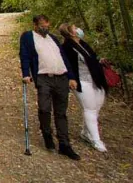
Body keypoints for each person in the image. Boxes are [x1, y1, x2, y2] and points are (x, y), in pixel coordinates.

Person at [19, 14, 81, 160]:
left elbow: (63, 58)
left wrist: (71, 76)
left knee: (61, 112)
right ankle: (47, 134)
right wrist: (26, 73)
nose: (45, 28)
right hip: (43, 77)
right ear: (35, 25)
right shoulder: (28, 37)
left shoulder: (53, 38)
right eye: (42, 26)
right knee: (44, 108)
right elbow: (25, 55)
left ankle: (65, 144)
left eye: (47, 26)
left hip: (61, 77)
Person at [59, 23, 109, 152]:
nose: (78, 30)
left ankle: (86, 133)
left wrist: (99, 61)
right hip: (82, 81)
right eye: (75, 28)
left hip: (96, 79)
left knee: (96, 108)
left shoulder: (83, 44)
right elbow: (67, 64)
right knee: (90, 109)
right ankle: (96, 140)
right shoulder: (67, 47)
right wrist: (71, 78)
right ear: (70, 33)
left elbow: (91, 58)